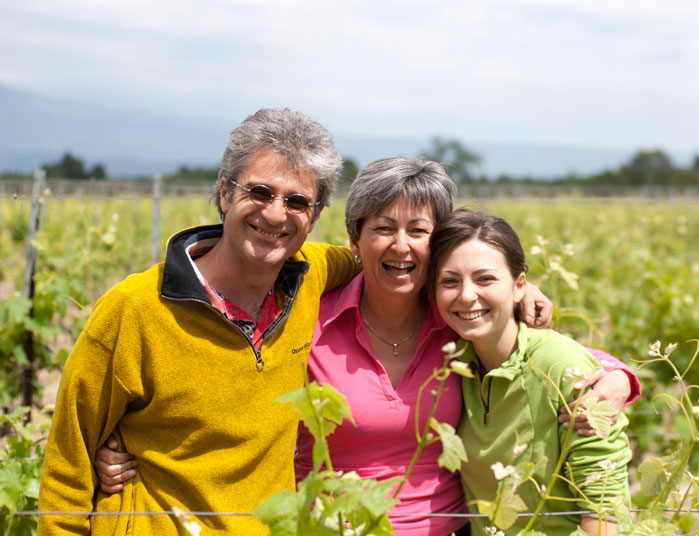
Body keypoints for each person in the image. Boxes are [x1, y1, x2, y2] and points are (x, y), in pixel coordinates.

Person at [97, 157, 638, 535]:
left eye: (418, 230)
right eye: (383, 227)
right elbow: (229, 380)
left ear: (437, 243)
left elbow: (530, 352)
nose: (400, 245)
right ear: (354, 241)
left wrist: (617, 378)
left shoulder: (455, 316)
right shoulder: (310, 312)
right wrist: (141, 448)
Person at [38, 108, 363, 535]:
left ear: (315, 217)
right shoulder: (135, 309)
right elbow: (68, 467)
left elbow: (377, 261)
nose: (276, 214)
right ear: (226, 193)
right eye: (260, 192)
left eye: (297, 201)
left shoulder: (311, 274)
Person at [429, 208, 632, 536]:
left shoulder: (561, 366)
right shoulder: (452, 362)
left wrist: (621, 375)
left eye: (485, 279)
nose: (466, 295)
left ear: (520, 285)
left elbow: (605, 512)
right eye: (449, 281)